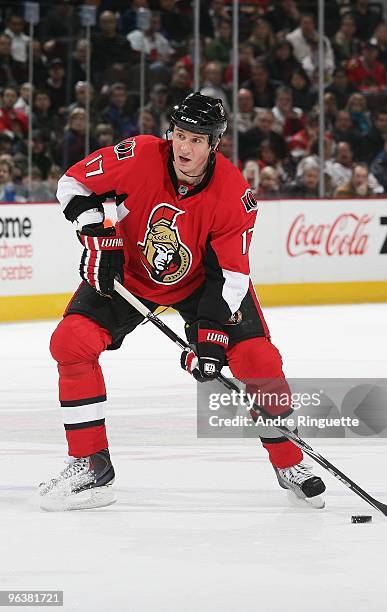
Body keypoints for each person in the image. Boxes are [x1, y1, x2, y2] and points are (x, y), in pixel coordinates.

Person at [41, 93, 325, 511]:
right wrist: (99, 236)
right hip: (133, 276)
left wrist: (209, 343)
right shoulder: (137, 154)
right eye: (179, 135)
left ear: (214, 144)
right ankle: (90, 465)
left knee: (260, 362)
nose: (184, 148)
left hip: (201, 286)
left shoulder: (234, 194)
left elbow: (229, 277)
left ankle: (289, 462)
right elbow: (74, 184)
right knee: (71, 342)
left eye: (196, 139)